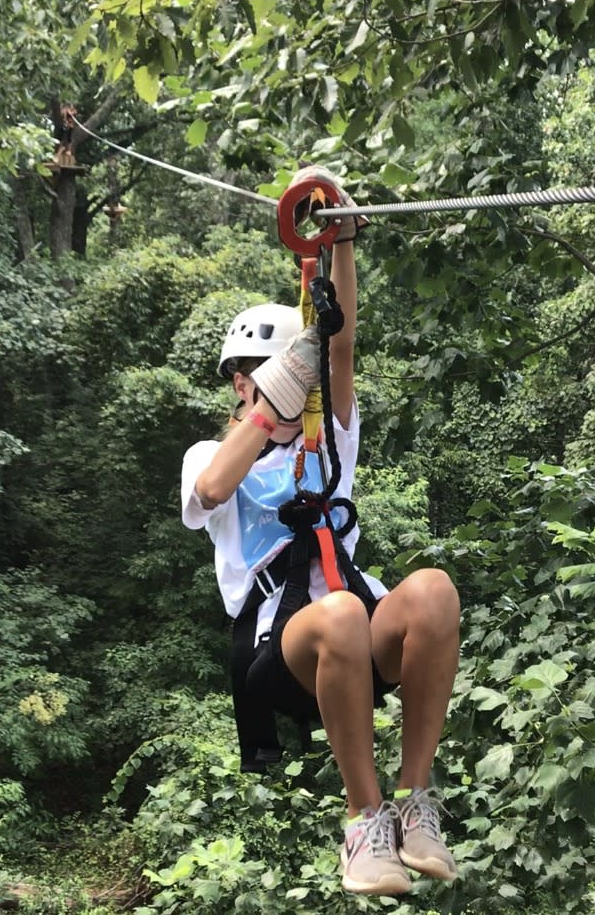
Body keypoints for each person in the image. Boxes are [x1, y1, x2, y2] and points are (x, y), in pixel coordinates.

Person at [180, 166, 461, 896]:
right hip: (283, 649)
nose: (266, 383)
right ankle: (363, 821)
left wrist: (340, 238)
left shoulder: (326, 442)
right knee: (336, 613)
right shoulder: (211, 455)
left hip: (355, 638)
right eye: (255, 374)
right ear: (240, 382)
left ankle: (414, 802)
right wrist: (288, 371)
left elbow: (342, 350)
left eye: (277, 370)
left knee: (432, 591)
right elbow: (213, 490)